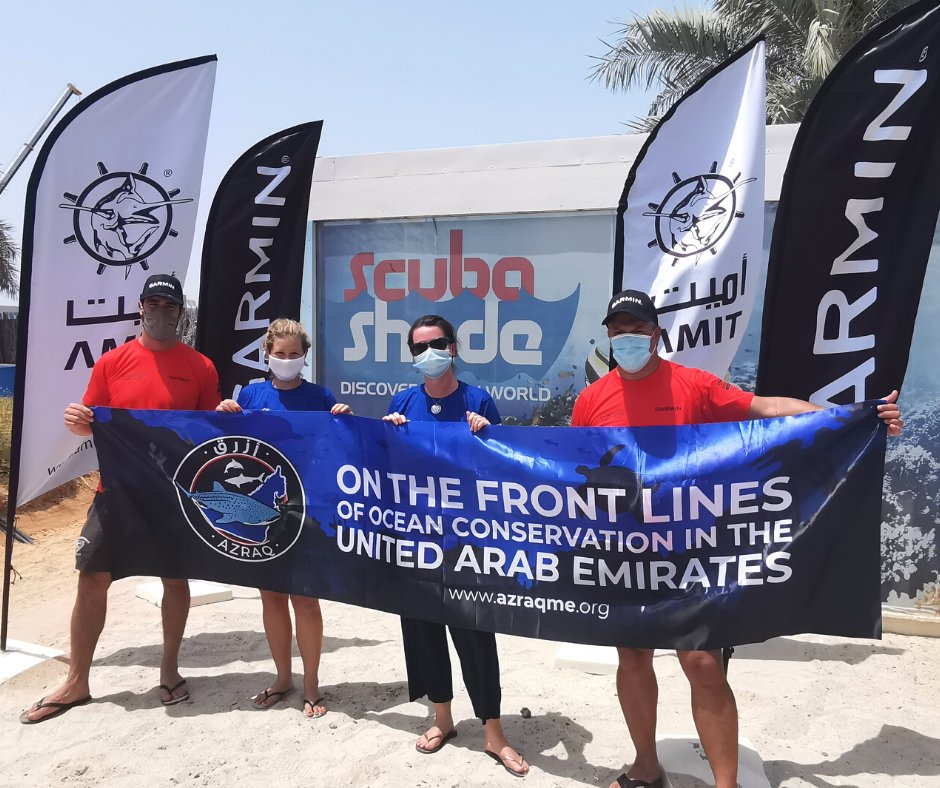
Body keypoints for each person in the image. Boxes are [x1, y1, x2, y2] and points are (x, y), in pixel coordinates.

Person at [571, 289, 903, 788]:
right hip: (625, 549)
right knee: (631, 656)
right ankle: (645, 766)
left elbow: (767, 407)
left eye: (636, 330)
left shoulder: (692, 384)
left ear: (657, 335)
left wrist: (849, 418)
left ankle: (726, 784)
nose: (626, 339)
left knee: (702, 661)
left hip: (694, 547)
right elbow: (571, 467)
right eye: (617, 331)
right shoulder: (592, 399)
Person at [20, 274, 221, 724]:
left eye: (170, 307)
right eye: (154, 304)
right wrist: (77, 418)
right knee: (90, 578)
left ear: (180, 313)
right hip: (115, 493)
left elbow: (210, 429)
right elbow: (90, 420)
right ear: (141, 307)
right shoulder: (111, 363)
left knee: (175, 580)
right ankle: (77, 680)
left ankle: (169, 670)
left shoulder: (201, 366)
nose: (161, 313)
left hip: (173, 495)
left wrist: (225, 413)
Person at [383, 314, 530, 778]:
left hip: (468, 541)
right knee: (423, 631)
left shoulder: (478, 399)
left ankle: (493, 731)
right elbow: (384, 466)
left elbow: (503, 467)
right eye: (419, 347)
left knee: (475, 635)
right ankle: (441, 719)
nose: (429, 352)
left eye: (437, 343)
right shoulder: (403, 401)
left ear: (454, 347)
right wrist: (387, 432)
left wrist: (486, 433)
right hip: (418, 539)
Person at [216, 318, 351, 718]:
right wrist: (223, 413)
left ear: (305, 357)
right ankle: (282, 677)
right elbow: (227, 445)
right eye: (280, 354)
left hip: (306, 512)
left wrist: (344, 417)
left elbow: (340, 449)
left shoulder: (321, 396)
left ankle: (311, 684)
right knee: (271, 597)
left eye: (295, 355)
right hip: (263, 513)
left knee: (305, 600)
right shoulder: (252, 394)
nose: (287, 360)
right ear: (267, 354)